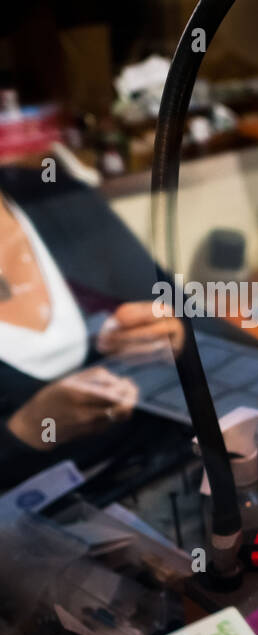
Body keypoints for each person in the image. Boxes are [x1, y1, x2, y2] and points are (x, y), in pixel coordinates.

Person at [0, 161, 184, 489]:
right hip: (33, 515)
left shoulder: (52, 193)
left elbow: (187, 312)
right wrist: (27, 431)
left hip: (166, 466)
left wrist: (169, 335)